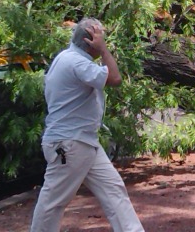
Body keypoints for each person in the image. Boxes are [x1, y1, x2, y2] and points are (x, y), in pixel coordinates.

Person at [30, 18, 144, 232]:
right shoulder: (76, 62)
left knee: (113, 190)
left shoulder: (68, 57)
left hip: (83, 141)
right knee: (53, 200)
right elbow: (115, 79)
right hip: (70, 143)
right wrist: (104, 51)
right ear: (90, 41)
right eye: (101, 38)